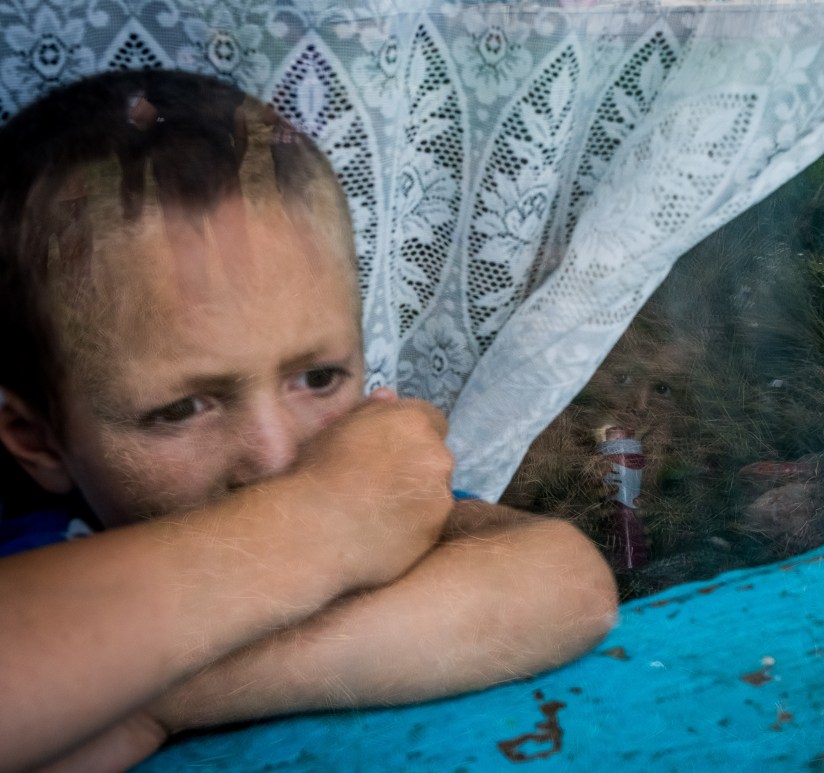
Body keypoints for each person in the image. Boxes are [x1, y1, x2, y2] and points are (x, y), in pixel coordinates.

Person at [0, 71, 618, 772]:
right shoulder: (39, 567)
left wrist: (158, 698)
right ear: (39, 438)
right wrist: (320, 520)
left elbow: (568, 585)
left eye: (318, 377)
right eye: (182, 408)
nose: (275, 458)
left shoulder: (354, 498)